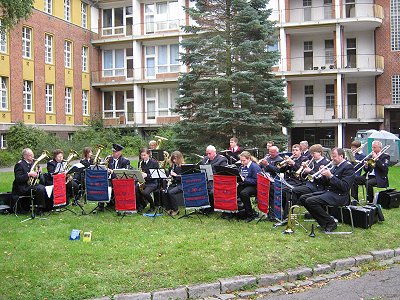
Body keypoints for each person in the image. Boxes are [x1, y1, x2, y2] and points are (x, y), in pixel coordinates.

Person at [299, 148, 355, 232]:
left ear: (341, 156)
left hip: (340, 196)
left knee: (311, 201)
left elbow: (345, 187)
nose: (332, 159)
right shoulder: (335, 166)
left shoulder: (348, 167)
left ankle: (330, 223)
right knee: (303, 198)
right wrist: (322, 175)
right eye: (332, 156)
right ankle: (323, 222)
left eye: (334, 156)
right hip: (330, 192)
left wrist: (331, 176)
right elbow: (325, 183)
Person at [12, 148, 50, 213]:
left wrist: (38, 172)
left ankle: (47, 207)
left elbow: (36, 177)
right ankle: (39, 209)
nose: (33, 156)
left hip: (30, 185)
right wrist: (29, 174)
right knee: (40, 188)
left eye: (33, 154)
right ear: (25, 156)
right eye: (31, 155)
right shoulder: (20, 164)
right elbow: (18, 178)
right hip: (22, 187)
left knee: (45, 187)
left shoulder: (32, 164)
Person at [200, 145, 228, 212]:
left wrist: (213, 175)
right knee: (199, 188)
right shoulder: (205, 159)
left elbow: (224, 172)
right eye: (207, 153)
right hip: (207, 179)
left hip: (218, 180)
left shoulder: (222, 160)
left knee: (212, 191)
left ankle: (212, 207)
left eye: (210, 153)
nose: (208, 155)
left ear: (214, 152)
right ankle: (205, 206)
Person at [259, 145, 283, 219]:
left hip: (275, 180)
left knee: (272, 194)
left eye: (272, 152)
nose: (270, 153)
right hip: (266, 179)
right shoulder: (268, 157)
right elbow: (262, 169)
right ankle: (267, 211)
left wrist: (267, 164)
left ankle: (273, 213)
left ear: (277, 152)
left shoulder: (280, 160)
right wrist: (260, 164)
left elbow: (277, 170)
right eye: (269, 151)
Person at [237, 151, 262, 222]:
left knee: (243, 193)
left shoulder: (254, 167)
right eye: (241, 160)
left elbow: (257, 181)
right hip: (245, 184)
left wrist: (245, 179)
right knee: (234, 190)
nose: (242, 162)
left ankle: (250, 214)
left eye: (244, 160)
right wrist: (238, 182)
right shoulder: (242, 167)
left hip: (255, 186)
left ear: (249, 159)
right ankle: (240, 209)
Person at [137, 148, 159, 213]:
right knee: (135, 189)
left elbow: (156, 175)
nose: (143, 157)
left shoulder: (154, 163)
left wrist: (147, 175)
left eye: (144, 155)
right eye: (142, 155)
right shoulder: (140, 162)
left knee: (146, 192)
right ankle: (141, 205)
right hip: (143, 182)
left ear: (149, 154)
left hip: (152, 182)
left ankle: (152, 205)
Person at [164, 151, 184, 216]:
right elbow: (170, 174)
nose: (174, 161)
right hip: (175, 183)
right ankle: (169, 208)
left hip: (182, 184)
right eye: (173, 159)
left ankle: (176, 209)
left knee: (171, 192)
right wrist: (169, 176)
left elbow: (183, 178)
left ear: (179, 158)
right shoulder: (173, 165)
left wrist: (176, 175)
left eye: (175, 159)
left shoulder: (183, 166)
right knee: (165, 191)